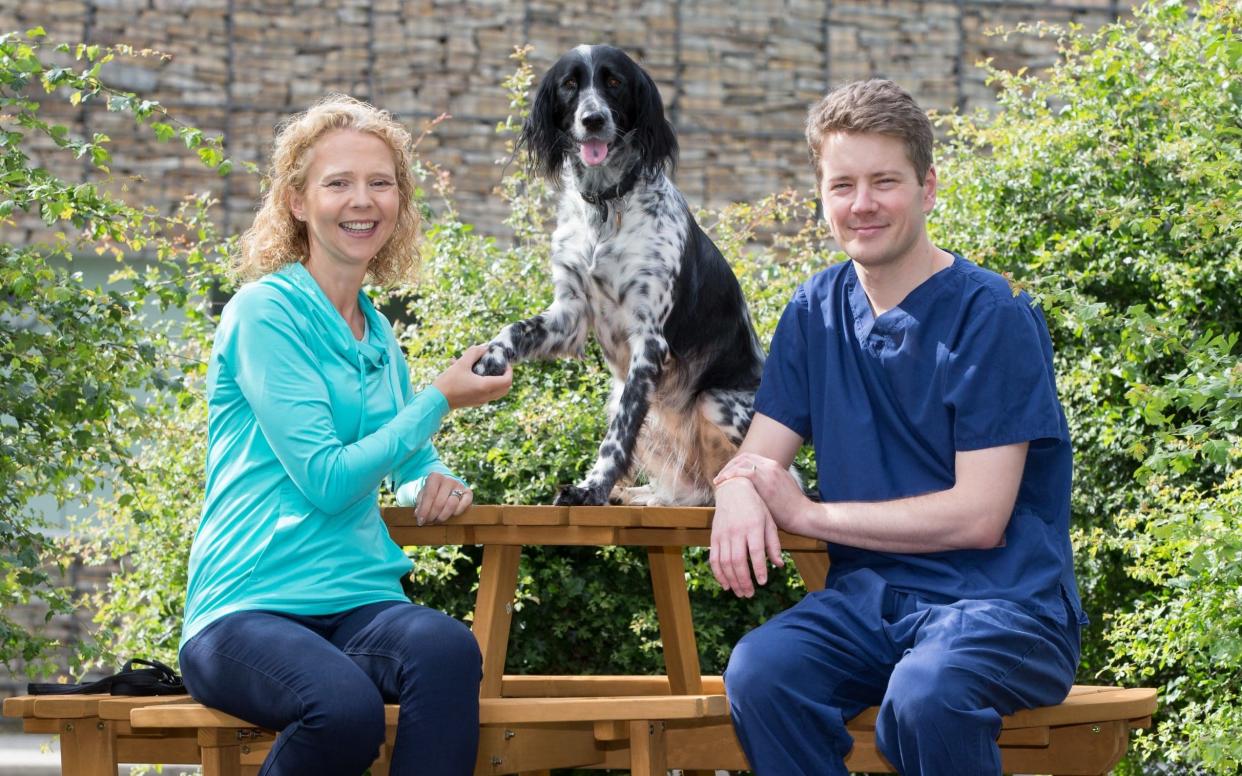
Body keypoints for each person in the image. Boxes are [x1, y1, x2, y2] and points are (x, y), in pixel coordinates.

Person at [709, 79, 1085, 775]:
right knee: (763, 671)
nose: (862, 205)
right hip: (871, 605)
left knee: (925, 695)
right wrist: (735, 486)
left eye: (884, 181)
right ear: (822, 195)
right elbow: (759, 456)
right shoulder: (814, 311)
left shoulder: (992, 314)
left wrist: (809, 514)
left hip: (1004, 608)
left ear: (928, 187)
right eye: (842, 184)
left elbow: (980, 516)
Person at [178, 94, 512, 776]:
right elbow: (329, 480)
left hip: (358, 602)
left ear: (400, 203)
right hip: (245, 609)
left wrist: (431, 480)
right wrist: (440, 398)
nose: (362, 201)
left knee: (447, 650)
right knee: (343, 711)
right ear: (297, 201)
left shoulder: (377, 334)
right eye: (338, 183)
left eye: (380, 183)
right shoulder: (264, 315)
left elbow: (408, 455)